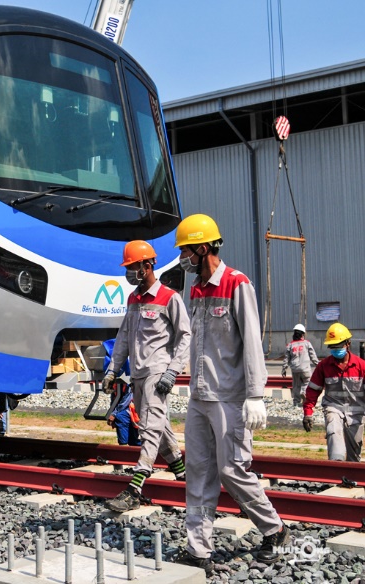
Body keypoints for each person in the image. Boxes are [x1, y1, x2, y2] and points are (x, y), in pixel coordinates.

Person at [173, 214, 288, 573]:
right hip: (200, 396)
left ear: (203, 248)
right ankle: (199, 549)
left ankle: (275, 529)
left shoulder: (237, 284)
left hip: (230, 398)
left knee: (232, 470)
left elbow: (252, 341)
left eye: (186, 251)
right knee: (198, 471)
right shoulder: (194, 290)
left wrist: (256, 394)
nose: (183, 259)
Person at [102, 240, 190, 513]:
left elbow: (186, 336)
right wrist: (112, 370)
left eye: (133, 266)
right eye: (128, 267)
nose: (130, 272)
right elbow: (124, 337)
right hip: (138, 375)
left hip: (157, 374)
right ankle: (184, 476)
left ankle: (135, 487)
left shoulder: (169, 297)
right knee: (159, 427)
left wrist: (173, 371)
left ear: (148, 265)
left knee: (149, 428)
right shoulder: (133, 300)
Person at [302, 322, 365, 462]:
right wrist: (308, 413)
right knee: (334, 435)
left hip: (356, 413)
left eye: (338, 347)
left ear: (347, 344)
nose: (336, 350)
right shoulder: (324, 366)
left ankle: (351, 479)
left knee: (354, 454)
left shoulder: (361, 366)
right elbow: (313, 390)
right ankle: (336, 470)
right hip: (333, 408)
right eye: (333, 347)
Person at [282, 324, 318, 407]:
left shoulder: (290, 345)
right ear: (303, 334)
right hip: (305, 369)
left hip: (295, 369)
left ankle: (296, 402)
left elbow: (286, 358)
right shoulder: (307, 343)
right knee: (307, 382)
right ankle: (304, 392)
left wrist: (284, 369)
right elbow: (313, 356)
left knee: (296, 385)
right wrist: (318, 365)